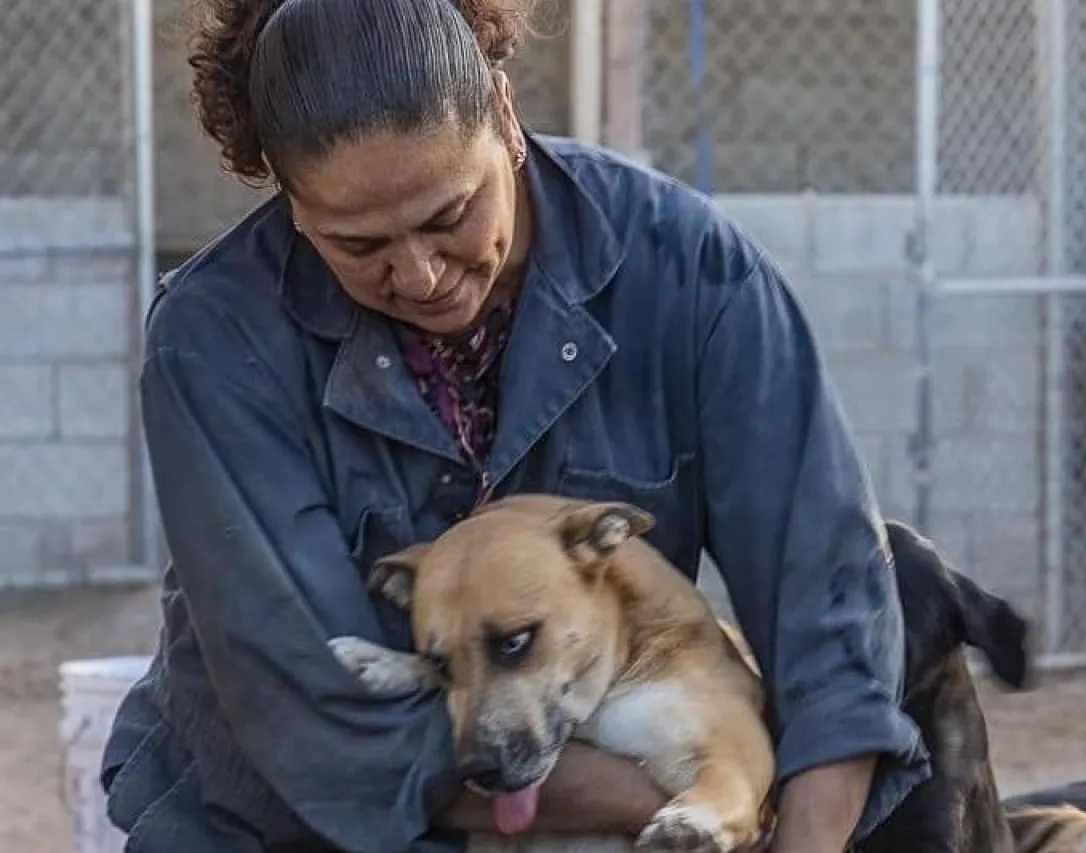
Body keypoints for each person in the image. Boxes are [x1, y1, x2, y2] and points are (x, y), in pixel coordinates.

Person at [100, 0, 929, 851]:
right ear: (292, 200)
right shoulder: (215, 337)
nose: (419, 274)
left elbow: (831, 637)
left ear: (504, 110)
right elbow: (311, 710)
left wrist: (765, 818)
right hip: (273, 827)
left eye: (448, 215)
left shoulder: (690, 271)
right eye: (358, 245)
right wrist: (690, 785)